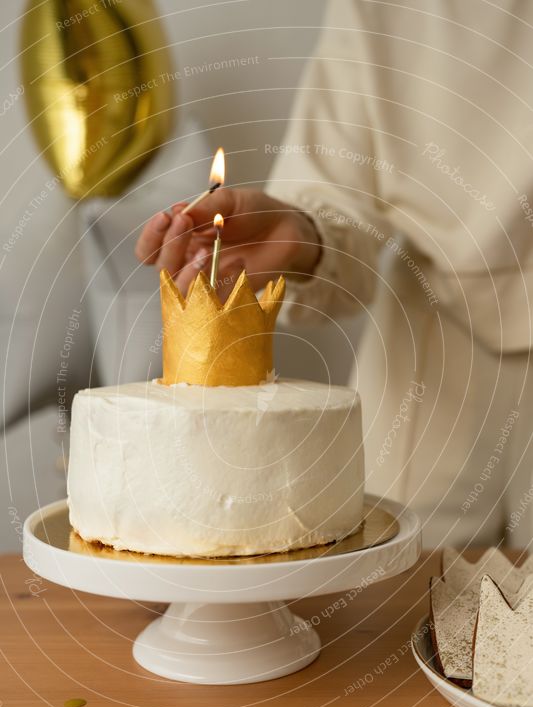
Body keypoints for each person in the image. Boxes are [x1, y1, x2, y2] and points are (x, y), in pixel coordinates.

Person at [135, 0, 533, 549]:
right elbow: (337, 218)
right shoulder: (383, 11)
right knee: (394, 608)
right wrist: (303, 236)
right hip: (434, 358)